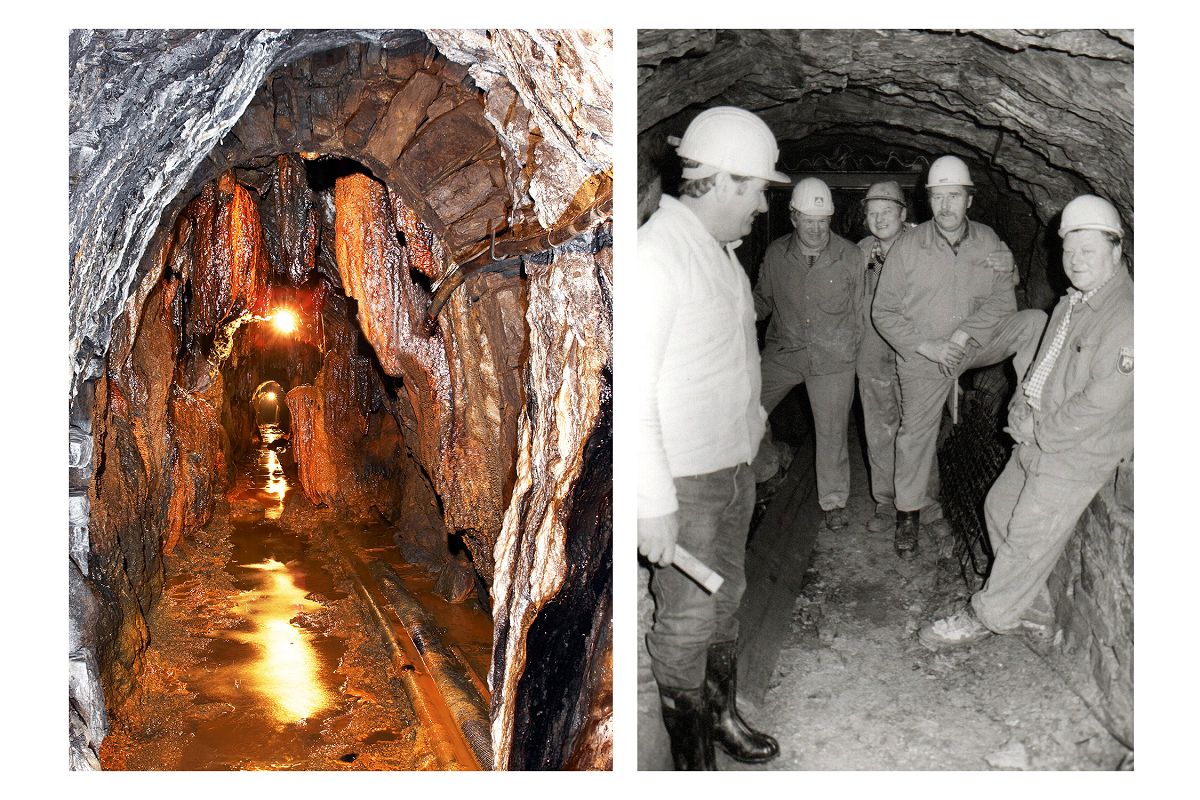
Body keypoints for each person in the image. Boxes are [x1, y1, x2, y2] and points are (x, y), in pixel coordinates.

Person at [638, 106, 786, 769]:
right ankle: (691, 764)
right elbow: (633, 388)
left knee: (727, 602)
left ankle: (721, 716)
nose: (760, 205)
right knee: (687, 620)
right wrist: (653, 502)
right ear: (722, 181)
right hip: (687, 483)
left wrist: (754, 437)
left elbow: (737, 360)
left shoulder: (720, 256)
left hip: (731, 469)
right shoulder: (657, 256)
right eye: (754, 189)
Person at [918, 194, 1133, 649]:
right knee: (998, 508)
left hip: (1078, 449)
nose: (1075, 262)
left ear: (1116, 250)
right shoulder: (1072, 303)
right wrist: (1021, 402)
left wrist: (1040, 429)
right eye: (1069, 251)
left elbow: (1101, 403)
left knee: (1027, 533)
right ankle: (1029, 605)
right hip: (1040, 432)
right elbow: (1044, 363)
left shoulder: (1127, 319)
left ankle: (987, 616)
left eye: (1088, 251)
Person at [872, 155, 1046, 559]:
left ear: (969, 200)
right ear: (928, 201)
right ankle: (908, 515)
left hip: (971, 344)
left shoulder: (988, 241)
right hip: (926, 355)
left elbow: (1004, 300)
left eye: (954, 196)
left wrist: (965, 334)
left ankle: (1031, 405)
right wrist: (927, 346)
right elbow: (883, 311)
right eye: (938, 197)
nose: (946, 205)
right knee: (915, 435)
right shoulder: (908, 247)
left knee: (1034, 320)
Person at [754, 177, 863, 530]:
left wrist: (855, 356)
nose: (816, 229)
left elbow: (860, 311)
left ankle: (834, 502)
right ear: (793, 217)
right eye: (809, 220)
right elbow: (762, 302)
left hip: (833, 356)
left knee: (831, 431)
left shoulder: (849, 256)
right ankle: (766, 465)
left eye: (823, 221)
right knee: (744, 407)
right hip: (785, 349)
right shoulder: (776, 254)